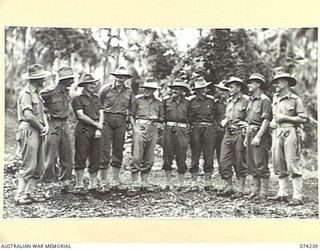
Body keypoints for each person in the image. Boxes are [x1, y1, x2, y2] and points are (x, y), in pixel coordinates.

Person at [267, 72, 307, 206]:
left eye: (278, 82)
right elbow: (275, 116)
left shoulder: (295, 99)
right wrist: (273, 123)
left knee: (292, 163)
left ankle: (297, 196)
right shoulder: (275, 98)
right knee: (278, 163)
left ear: (286, 83)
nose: (275, 85)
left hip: (291, 131)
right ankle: (282, 193)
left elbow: (303, 118)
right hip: (277, 132)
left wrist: (285, 118)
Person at [15, 64, 50, 205]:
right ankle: (20, 195)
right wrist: (41, 126)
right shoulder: (26, 94)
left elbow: (42, 114)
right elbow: (28, 116)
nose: (44, 79)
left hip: (38, 130)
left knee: (39, 165)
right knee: (29, 164)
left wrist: (45, 125)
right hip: (29, 130)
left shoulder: (37, 94)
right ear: (36, 79)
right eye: (42, 77)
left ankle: (30, 193)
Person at [40, 67, 78, 196]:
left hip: (65, 124)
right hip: (54, 124)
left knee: (67, 154)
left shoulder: (67, 93)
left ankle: (65, 182)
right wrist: (44, 120)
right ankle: (48, 185)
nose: (72, 81)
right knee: (50, 156)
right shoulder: (49, 92)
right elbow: (39, 105)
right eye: (70, 79)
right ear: (64, 80)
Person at [99, 66, 134, 193]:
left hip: (121, 120)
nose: (120, 79)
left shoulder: (129, 91)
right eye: (118, 76)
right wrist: (100, 123)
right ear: (115, 77)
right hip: (107, 119)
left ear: (126, 78)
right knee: (104, 149)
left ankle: (115, 180)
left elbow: (131, 108)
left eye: (122, 77)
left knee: (118, 149)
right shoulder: (106, 89)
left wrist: (129, 123)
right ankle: (102, 180)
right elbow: (99, 105)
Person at [128, 78, 164, 195]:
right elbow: (131, 115)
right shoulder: (137, 100)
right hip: (139, 127)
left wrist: (157, 119)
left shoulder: (158, 103)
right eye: (146, 88)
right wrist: (134, 127)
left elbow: (163, 118)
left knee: (149, 156)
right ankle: (134, 182)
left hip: (152, 128)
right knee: (136, 155)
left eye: (150, 89)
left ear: (154, 90)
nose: (147, 91)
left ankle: (144, 182)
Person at [72, 73, 104, 193]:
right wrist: (96, 125)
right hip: (83, 129)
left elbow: (101, 112)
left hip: (96, 129)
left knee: (95, 156)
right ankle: (79, 183)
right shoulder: (77, 98)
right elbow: (80, 115)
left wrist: (99, 127)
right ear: (84, 85)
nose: (93, 85)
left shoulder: (96, 97)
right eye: (90, 83)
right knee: (81, 155)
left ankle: (93, 183)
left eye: (94, 83)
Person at [218, 77, 249, 198]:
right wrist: (224, 121)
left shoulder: (247, 100)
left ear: (239, 88)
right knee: (223, 161)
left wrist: (246, 124)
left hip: (239, 133)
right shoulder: (229, 100)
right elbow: (227, 116)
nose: (229, 89)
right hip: (228, 132)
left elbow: (251, 116)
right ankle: (229, 187)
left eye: (231, 87)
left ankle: (240, 189)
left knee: (240, 161)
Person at [244, 73, 272, 200]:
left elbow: (266, 120)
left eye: (252, 83)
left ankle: (264, 192)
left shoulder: (264, 100)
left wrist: (259, 136)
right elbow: (248, 121)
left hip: (259, 133)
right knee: (252, 163)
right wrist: (246, 137)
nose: (249, 85)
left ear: (259, 84)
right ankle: (255, 190)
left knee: (261, 162)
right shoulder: (250, 100)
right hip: (250, 133)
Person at [188, 77, 218, 192]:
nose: (202, 90)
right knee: (195, 154)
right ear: (196, 90)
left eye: (204, 88)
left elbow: (215, 115)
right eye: (200, 89)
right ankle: (194, 182)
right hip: (196, 127)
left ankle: (208, 182)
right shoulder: (191, 101)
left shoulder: (211, 100)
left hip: (209, 128)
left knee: (209, 154)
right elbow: (188, 116)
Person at [162, 79, 190, 191]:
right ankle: (167, 183)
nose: (174, 90)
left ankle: (181, 183)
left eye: (177, 89)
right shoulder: (166, 101)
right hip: (169, 128)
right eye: (173, 88)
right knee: (167, 155)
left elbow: (191, 117)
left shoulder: (188, 103)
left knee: (181, 155)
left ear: (183, 91)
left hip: (182, 129)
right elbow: (162, 116)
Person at [213, 80, 229, 174]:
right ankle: (222, 170)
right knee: (220, 151)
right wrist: (217, 127)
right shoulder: (216, 103)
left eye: (224, 90)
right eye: (220, 90)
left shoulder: (235, 102)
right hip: (220, 130)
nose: (221, 92)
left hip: (233, 131)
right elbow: (213, 117)